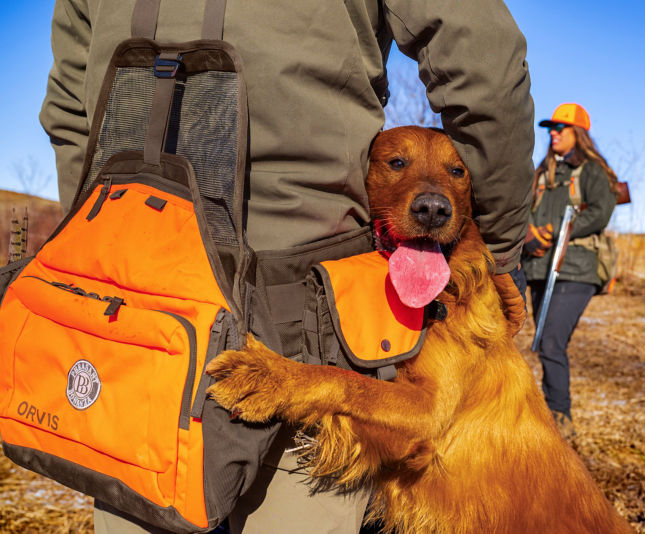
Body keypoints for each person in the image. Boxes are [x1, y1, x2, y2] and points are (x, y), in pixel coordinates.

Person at [39, 1, 535, 532]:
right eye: (395, 164)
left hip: (139, 276)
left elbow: (70, 104)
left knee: (140, 492)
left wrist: (96, 224)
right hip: (303, 280)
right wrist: (504, 244)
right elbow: (487, 62)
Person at [522, 103, 618, 440]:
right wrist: (530, 236)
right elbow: (524, 213)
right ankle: (547, 411)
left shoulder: (591, 170)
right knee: (545, 341)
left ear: (579, 133)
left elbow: (601, 212)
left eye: (561, 128)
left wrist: (561, 230)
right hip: (538, 269)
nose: (553, 133)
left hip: (576, 270)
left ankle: (560, 417)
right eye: (550, 128)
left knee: (550, 341)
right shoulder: (542, 172)